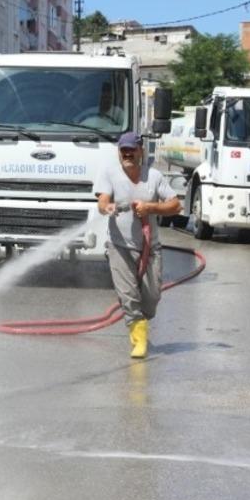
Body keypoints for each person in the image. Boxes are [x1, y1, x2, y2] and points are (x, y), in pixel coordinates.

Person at [94, 131, 182, 359]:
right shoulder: (110, 173)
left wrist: (150, 207)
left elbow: (175, 205)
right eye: (123, 150)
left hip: (149, 248)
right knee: (129, 296)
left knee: (151, 298)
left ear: (140, 151)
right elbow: (102, 201)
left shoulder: (153, 176)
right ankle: (139, 338)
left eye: (131, 150)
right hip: (120, 247)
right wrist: (107, 207)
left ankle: (140, 322)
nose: (127, 154)